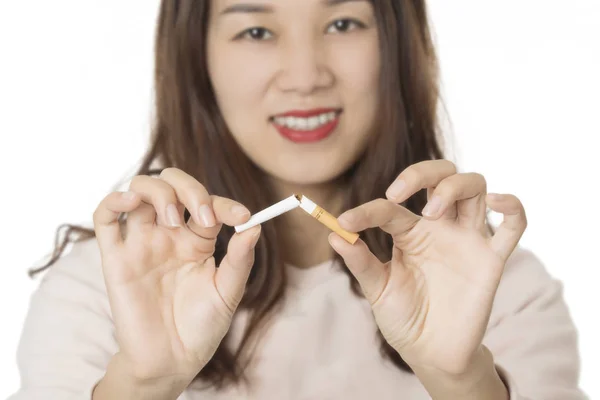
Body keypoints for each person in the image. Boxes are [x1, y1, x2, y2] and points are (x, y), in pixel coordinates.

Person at [10, 1, 587, 399]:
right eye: (256, 31)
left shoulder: (498, 287)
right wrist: (142, 385)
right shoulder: (103, 287)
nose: (306, 75)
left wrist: (463, 382)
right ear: (196, 57)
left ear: (398, 45)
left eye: (342, 22)